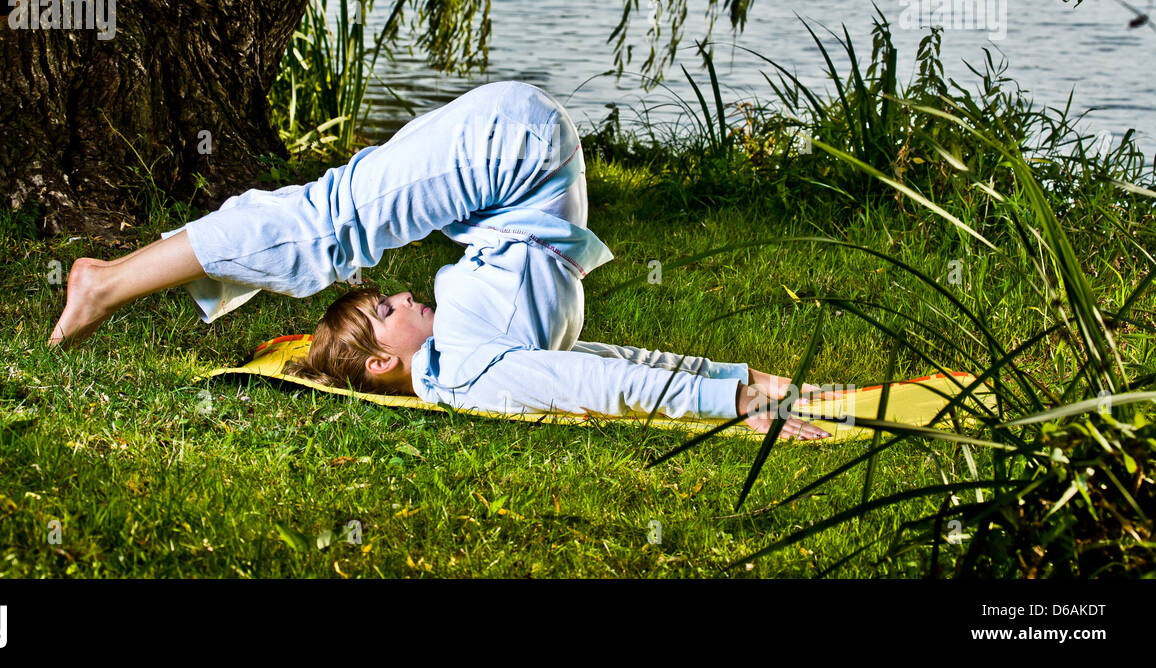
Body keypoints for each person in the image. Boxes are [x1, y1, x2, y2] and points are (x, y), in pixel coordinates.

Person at [49, 80, 828, 440]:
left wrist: (737, 399)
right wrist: (737, 390)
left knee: (334, 228)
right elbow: (597, 371)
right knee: (330, 225)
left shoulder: (463, 356)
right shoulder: (472, 373)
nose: (397, 298)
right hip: (513, 156)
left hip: (510, 161)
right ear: (386, 366)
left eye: (382, 303)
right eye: (385, 313)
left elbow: (593, 374)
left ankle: (112, 281)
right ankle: (107, 280)